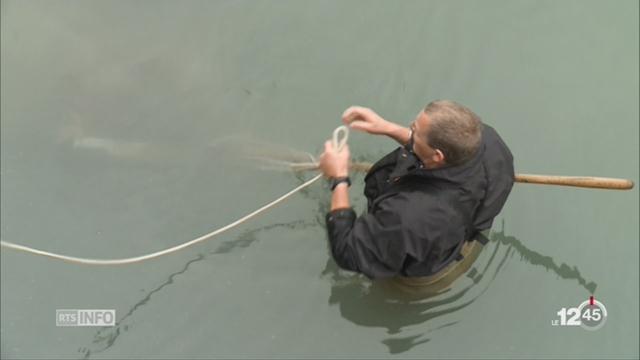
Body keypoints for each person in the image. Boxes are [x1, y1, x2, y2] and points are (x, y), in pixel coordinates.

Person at [318, 100, 514, 281]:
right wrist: (387, 127)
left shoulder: (409, 215)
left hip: (426, 261)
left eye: (415, 130)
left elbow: (348, 253)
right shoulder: (489, 142)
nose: (410, 128)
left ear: (437, 156)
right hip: (455, 231)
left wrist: (339, 177)